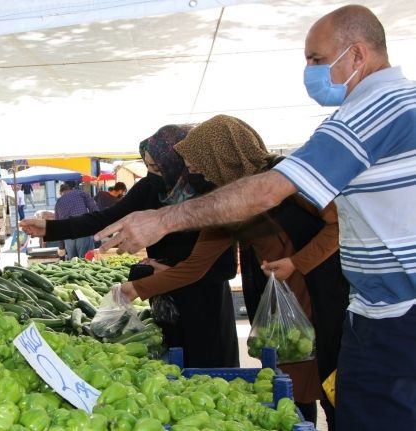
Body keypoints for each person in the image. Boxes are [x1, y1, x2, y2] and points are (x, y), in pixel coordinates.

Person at [96, 6, 415, 430]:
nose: (309, 73)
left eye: (316, 60)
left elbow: (269, 192)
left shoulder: (374, 110)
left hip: (385, 313)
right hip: (371, 309)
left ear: (357, 55)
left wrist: (163, 221)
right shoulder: (395, 106)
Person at [116, 115, 349, 426]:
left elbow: (342, 226)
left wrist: (297, 262)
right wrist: (137, 288)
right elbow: (196, 266)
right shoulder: (227, 205)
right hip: (278, 302)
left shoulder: (288, 181)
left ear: (223, 155)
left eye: (200, 163)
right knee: (291, 384)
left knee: (337, 385)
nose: (195, 173)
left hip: (318, 296)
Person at [22, 125, 239, 367]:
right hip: (165, 296)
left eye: (158, 167)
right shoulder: (149, 188)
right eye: (148, 166)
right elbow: (104, 219)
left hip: (204, 301)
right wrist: (51, 228)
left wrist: (161, 274)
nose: (152, 174)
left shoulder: (209, 195)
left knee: (210, 366)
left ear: (180, 163)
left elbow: (225, 268)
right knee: (173, 362)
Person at [53, 183, 98, 259]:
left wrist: (61, 247)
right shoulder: (80, 193)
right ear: (71, 189)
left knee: (73, 263)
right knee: (86, 260)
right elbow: (94, 209)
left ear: (61, 193)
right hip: (82, 228)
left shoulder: (58, 202)